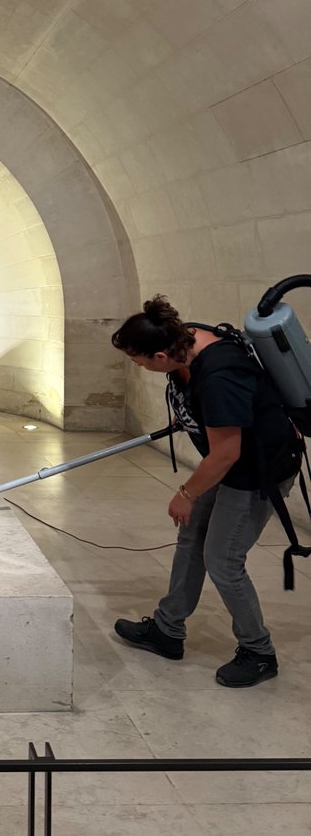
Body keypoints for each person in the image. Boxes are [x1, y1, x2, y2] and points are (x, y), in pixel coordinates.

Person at [111, 295, 301, 688]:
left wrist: (186, 493)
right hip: (234, 464)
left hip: (255, 472)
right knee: (191, 536)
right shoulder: (188, 337)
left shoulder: (219, 378)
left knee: (224, 560)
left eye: (139, 360)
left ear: (162, 356)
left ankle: (259, 652)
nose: (139, 366)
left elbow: (226, 453)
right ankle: (167, 630)